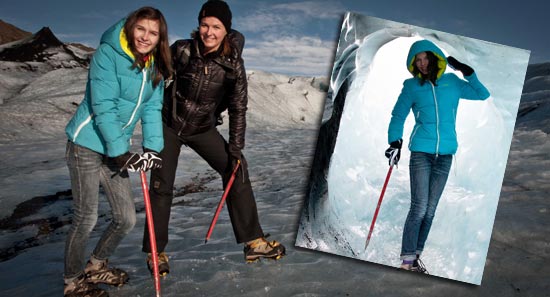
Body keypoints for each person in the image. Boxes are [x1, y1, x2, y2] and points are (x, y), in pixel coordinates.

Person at [142, 0, 285, 275]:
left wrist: (235, 146)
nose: (209, 32)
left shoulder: (233, 64)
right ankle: (156, 252)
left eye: (216, 26)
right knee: (161, 186)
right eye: (205, 24)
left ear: (226, 30)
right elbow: (154, 78)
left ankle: (253, 240)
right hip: (169, 125)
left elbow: (238, 106)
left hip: (201, 128)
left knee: (237, 168)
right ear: (199, 25)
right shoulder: (183, 49)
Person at [63, 6, 172, 296]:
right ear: (130, 27)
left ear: (160, 38)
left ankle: (96, 265)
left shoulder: (153, 65)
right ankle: (73, 282)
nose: (145, 37)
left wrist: (153, 147)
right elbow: (104, 106)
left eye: (153, 32)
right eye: (141, 29)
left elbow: (151, 107)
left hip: (115, 149)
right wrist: (120, 151)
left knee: (126, 218)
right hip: (85, 144)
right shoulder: (108, 54)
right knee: (86, 217)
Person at [385, 39, 490, 273]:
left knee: (431, 210)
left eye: (425, 58)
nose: (422, 64)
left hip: (446, 155)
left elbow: (482, 94)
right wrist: (394, 141)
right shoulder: (411, 86)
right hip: (421, 152)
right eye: (417, 61)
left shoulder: (453, 82)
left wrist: (467, 71)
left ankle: (415, 258)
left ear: (435, 58)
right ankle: (406, 262)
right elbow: (398, 115)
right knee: (419, 207)